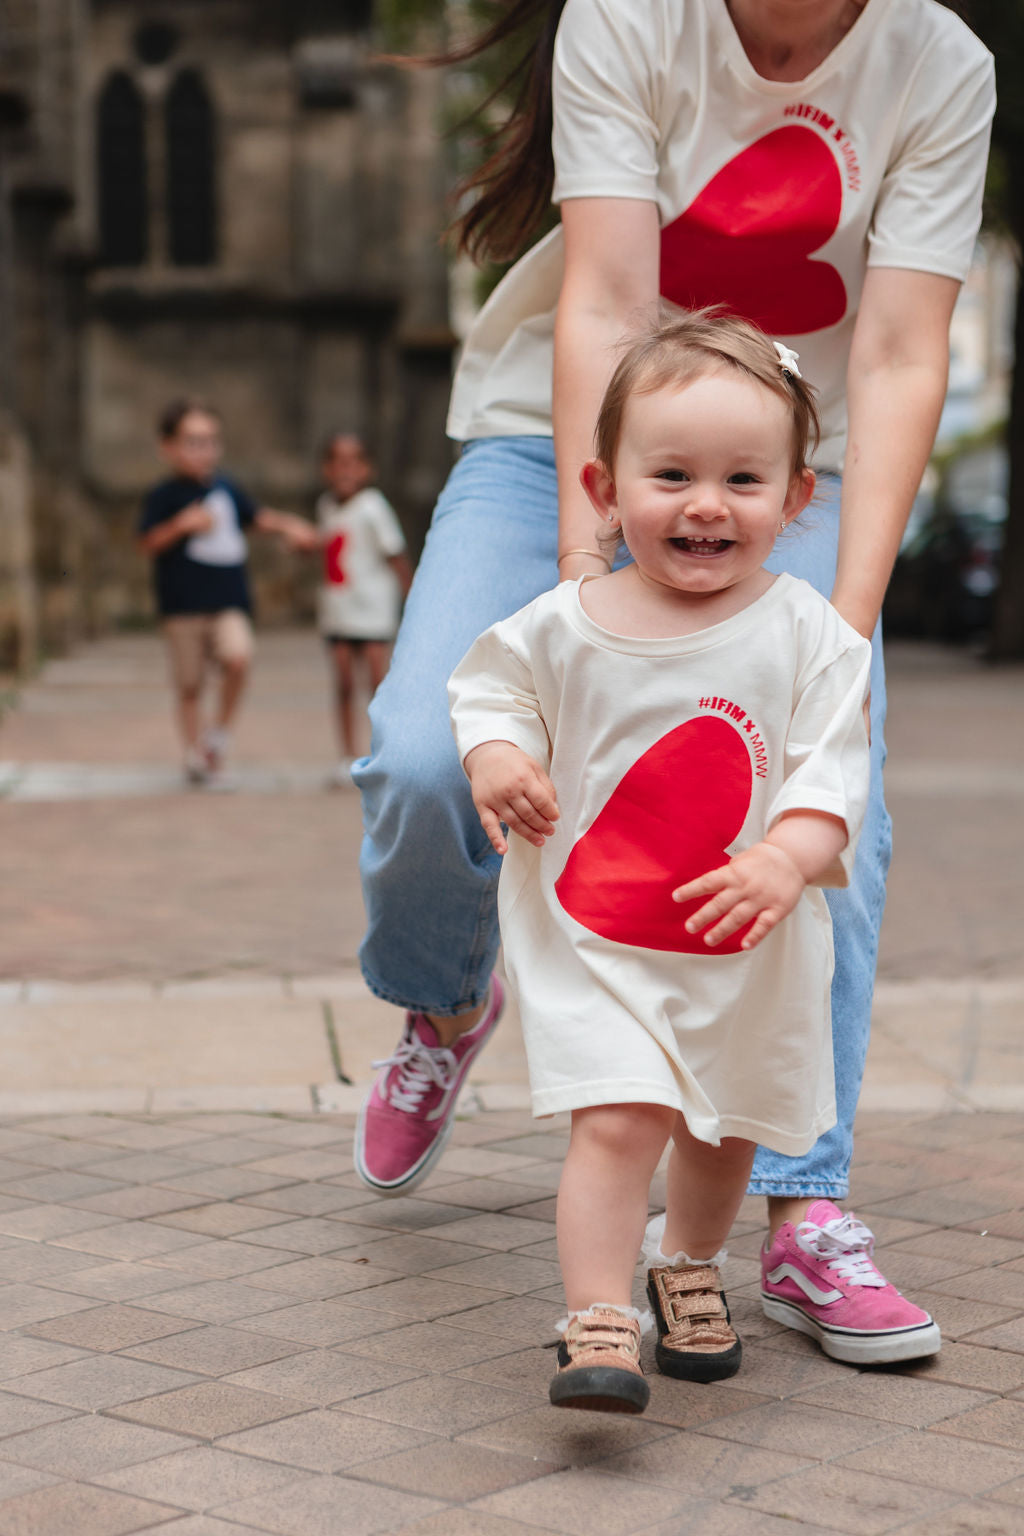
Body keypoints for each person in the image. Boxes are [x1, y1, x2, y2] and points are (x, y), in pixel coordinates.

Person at [352, 0, 994, 1366]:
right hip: (566, 441)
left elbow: (893, 353)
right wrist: (592, 578)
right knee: (421, 755)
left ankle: (803, 1204)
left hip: (779, 470)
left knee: (838, 821)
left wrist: (845, 641)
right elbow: (606, 299)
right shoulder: (631, 21)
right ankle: (449, 998)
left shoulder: (939, 63)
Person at [449, 310, 876, 1411]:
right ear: (604, 488)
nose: (705, 503)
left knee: (724, 1124)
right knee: (621, 1115)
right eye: (672, 473)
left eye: (742, 479)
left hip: (743, 943)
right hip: (601, 936)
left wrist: (790, 854)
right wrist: (498, 757)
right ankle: (597, 1316)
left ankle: (687, 1262)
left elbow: (831, 771)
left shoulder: (809, 634)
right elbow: (487, 689)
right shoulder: (565, 622)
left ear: (793, 499)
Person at [138, 398, 308, 787]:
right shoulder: (163, 496)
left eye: (211, 441)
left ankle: (218, 735)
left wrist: (289, 526)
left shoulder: (227, 486)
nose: (205, 450)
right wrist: (180, 525)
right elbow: (146, 542)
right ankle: (195, 755)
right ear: (169, 447)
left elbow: (256, 518)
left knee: (239, 656)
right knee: (190, 684)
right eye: (193, 441)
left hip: (229, 601)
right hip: (181, 607)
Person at [305, 434, 413, 786]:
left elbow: (395, 555)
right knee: (343, 682)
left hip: (372, 611)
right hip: (339, 609)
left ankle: (382, 751)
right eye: (338, 462)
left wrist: (411, 601)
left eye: (353, 463)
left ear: (367, 469)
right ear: (326, 469)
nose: (345, 471)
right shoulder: (327, 507)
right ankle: (346, 754)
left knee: (376, 682)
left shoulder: (373, 506)